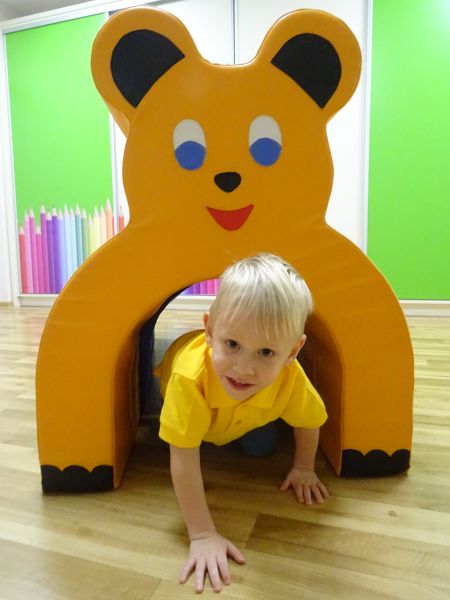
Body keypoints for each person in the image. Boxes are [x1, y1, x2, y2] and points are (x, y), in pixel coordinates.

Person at [155, 253, 329, 593]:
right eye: (232, 344)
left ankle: (238, 423)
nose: (244, 368)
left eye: (266, 352)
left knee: (262, 446)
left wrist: (304, 468)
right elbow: (183, 457)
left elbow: (310, 421)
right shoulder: (189, 379)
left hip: (239, 415)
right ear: (209, 331)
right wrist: (202, 534)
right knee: (173, 433)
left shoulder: (291, 378)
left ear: (293, 352)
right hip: (176, 383)